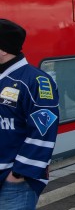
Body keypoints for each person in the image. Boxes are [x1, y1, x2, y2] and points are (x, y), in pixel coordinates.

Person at [0, 19, 59, 209]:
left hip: (15, 183)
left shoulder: (37, 81)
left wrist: (19, 174)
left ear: (3, 48)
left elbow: (44, 131)